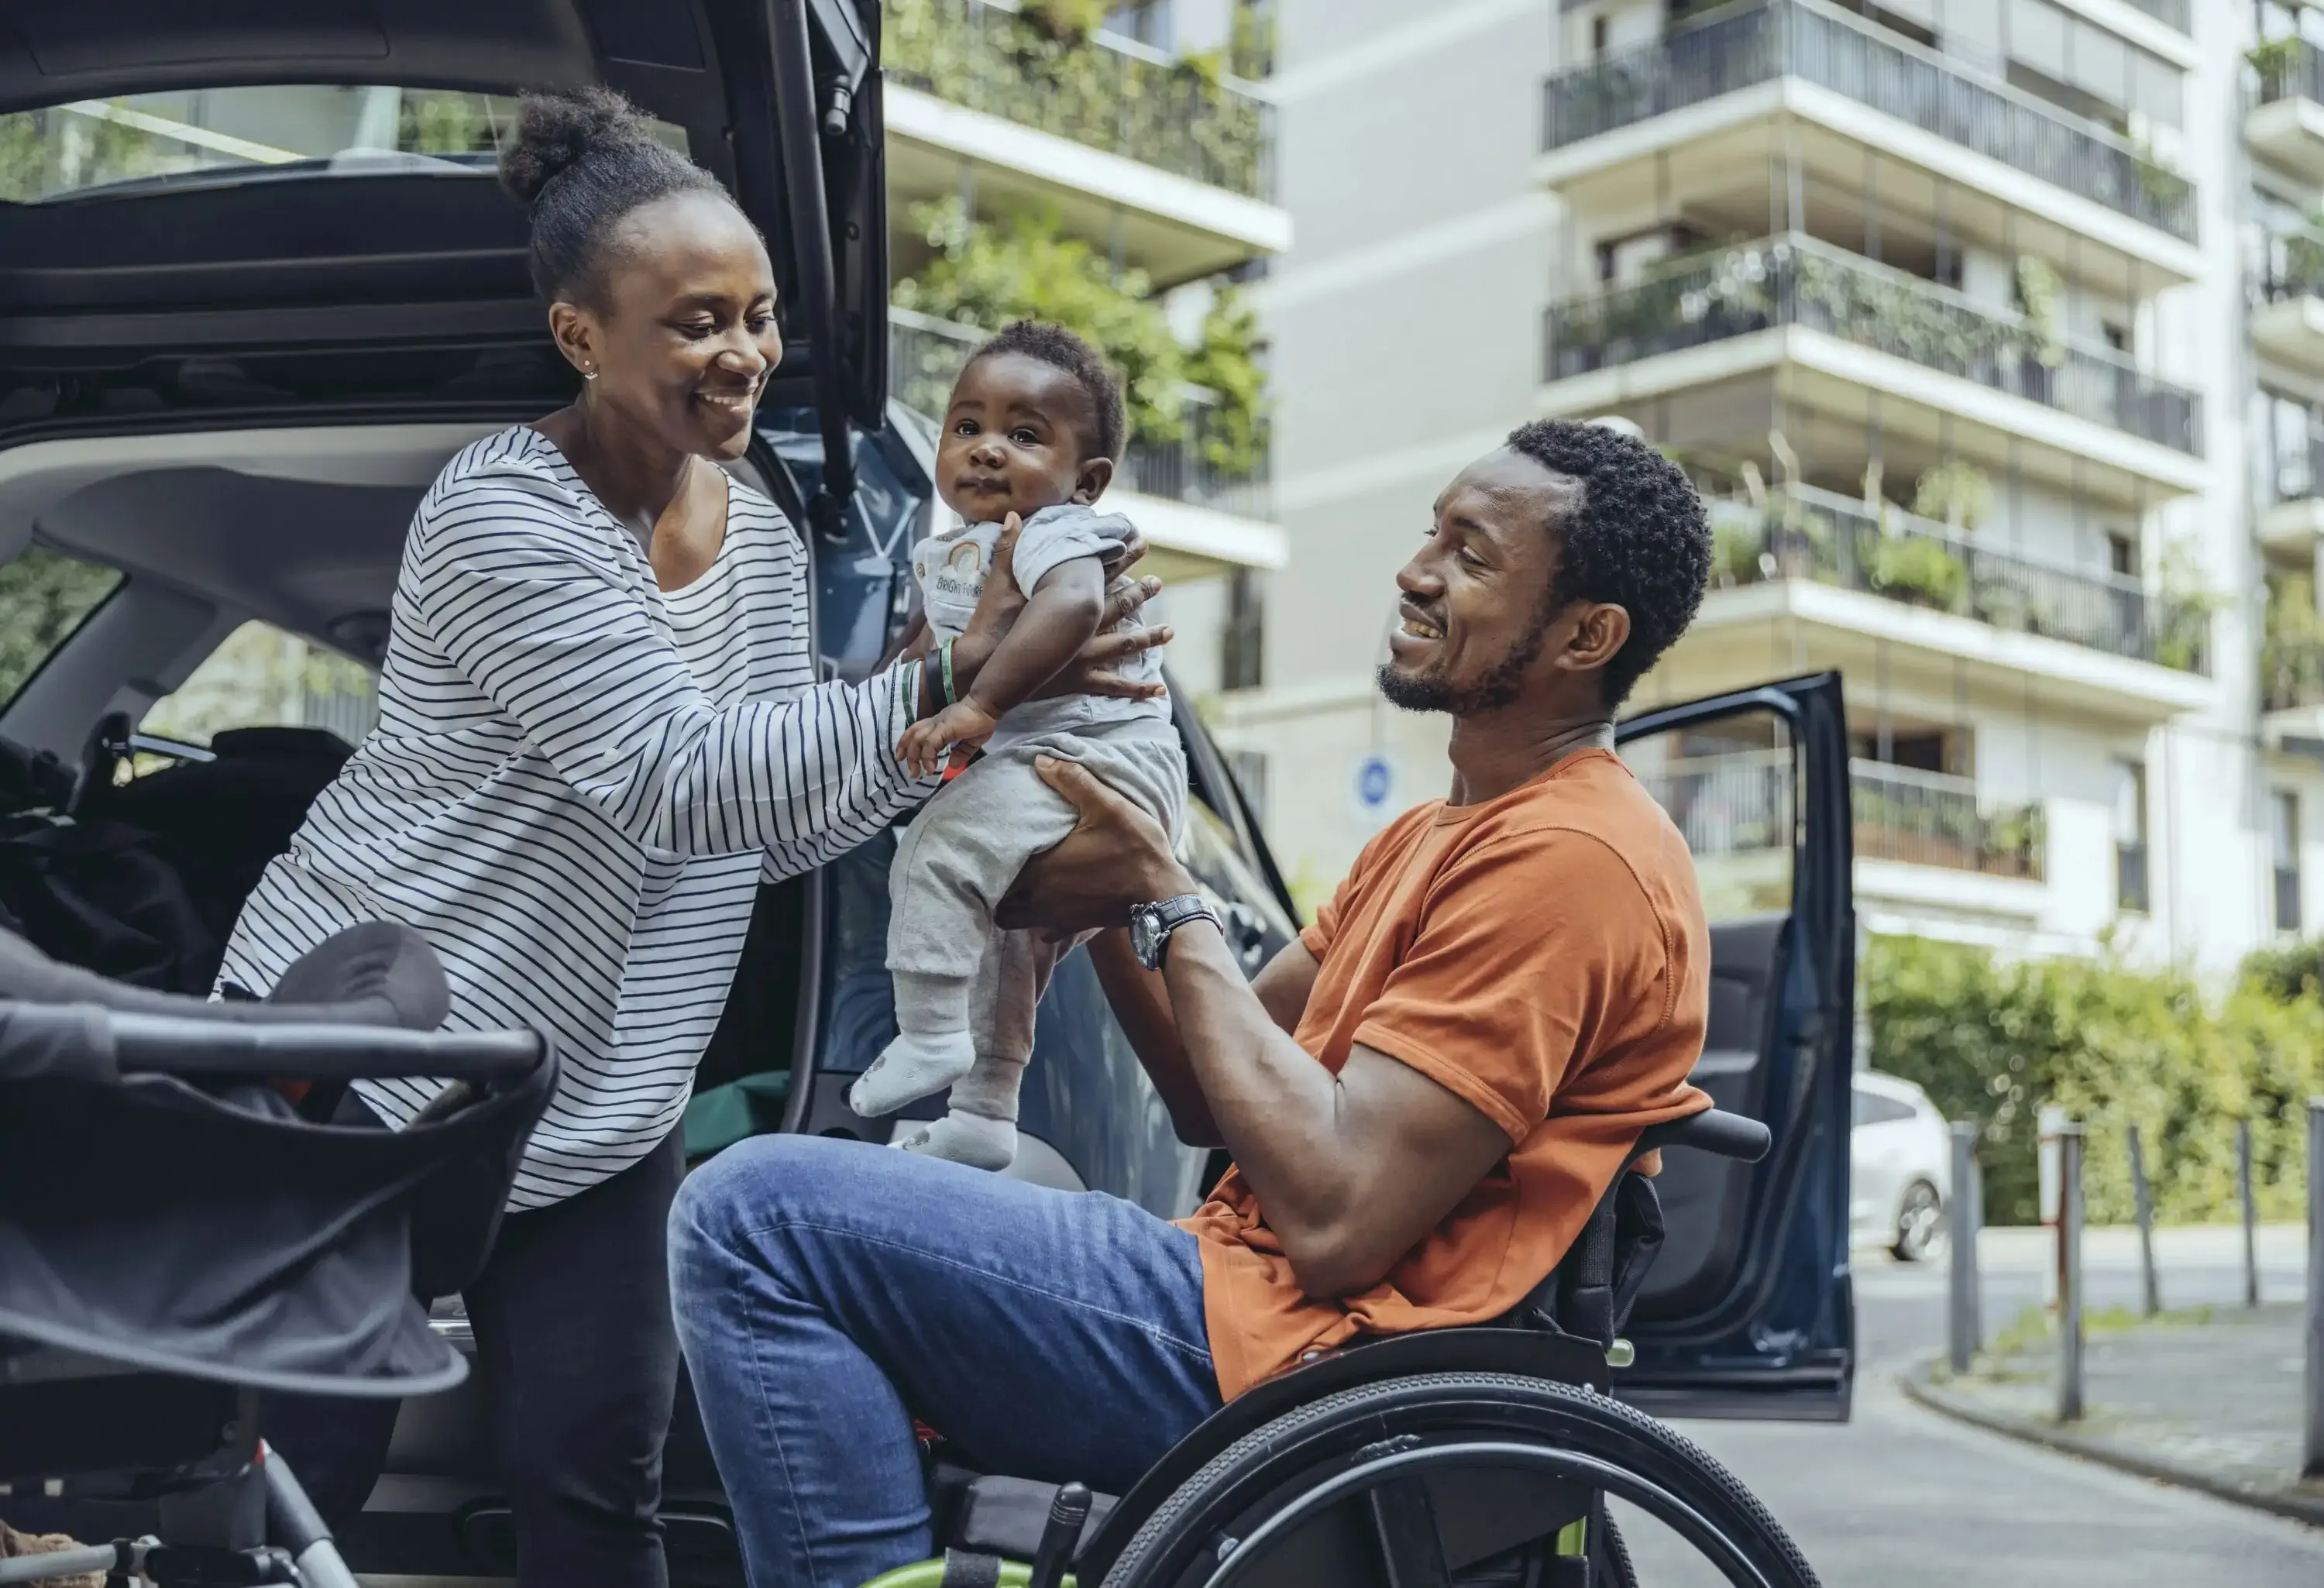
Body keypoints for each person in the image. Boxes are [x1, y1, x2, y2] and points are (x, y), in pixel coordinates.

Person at [215, 88, 1167, 1588]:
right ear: (580, 334)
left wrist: (968, 721)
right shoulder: (500, 516)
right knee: (291, 1488)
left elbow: (781, 811)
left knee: (599, 1482)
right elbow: (677, 775)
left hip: (598, 1087)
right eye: (695, 321)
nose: (744, 354)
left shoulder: (767, 534)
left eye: (760, 315)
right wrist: (944, 678)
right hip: (380, 1054)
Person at [669, 418, 1721, 1588]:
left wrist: (1165, 894)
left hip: (1321, 1365)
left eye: (1471, 555)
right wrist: (1121, 871)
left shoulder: (1575, 858)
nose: (1415, 572)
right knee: (964, 1175)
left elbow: (1334, 1217)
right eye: (1431, 534)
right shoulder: (1438, 833)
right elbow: (1205, 1092)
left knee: (752, 1217)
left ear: (1589, 633)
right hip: (1254, 1309)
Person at [849, 321, 1187, 1169]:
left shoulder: (1056, 532)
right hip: (1051, 766)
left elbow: (1071, 609)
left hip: (1100, 762)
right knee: (1004, 941)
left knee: (938, 844)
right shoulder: (951, 553)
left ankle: (927, 1035)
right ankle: (984, 1112)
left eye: (1023, 435)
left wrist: (982, 705)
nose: (987, 450)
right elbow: (914, 665)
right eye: (967, 427)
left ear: (1087, 480)